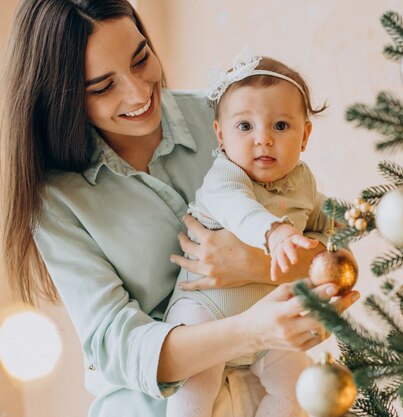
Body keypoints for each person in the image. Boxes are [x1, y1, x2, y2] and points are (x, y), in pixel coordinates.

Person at [0, 1, 360, 417]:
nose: (137, 93)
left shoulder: (233, 115)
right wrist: (248, 330)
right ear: (61, 98)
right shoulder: (57, 200)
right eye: (102, 87)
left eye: (141, 59)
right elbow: (116, 347)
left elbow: (335, 248)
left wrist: (254, 264)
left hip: (279, 393)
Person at [165, 52, 332, 417]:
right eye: (245, 127)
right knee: (193, 393)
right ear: (220, 135)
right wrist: (275, 234)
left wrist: (341, 231)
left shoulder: (303, 181)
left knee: (297, 389)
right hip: (206, 313)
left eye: (281, 126)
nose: (263, 140)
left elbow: (323, 219)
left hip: (269, 324)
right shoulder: (224, 177)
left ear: (304, 135)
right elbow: (238, 209)